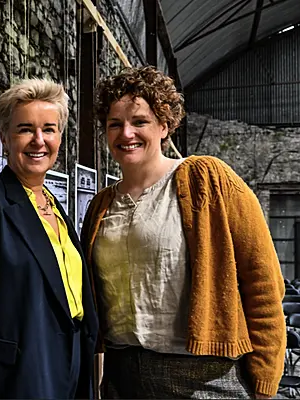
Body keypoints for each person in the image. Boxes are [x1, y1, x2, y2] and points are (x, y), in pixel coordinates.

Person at [80, 66, 286, 399]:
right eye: (114, 124)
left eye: (139, 121)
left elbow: (262, 283)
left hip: (204, 375)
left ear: (164, 125)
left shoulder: (208, 180)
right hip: (122, 372)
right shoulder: (101, 205)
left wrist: (264, 381)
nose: (126, 133)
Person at [0, 78, 99, 399]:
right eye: (25, 129)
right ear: (4, 136)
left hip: (72, 363)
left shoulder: (55, 207)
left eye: (49, 129)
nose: (38, 140)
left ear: (60, 137)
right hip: (21, 374)